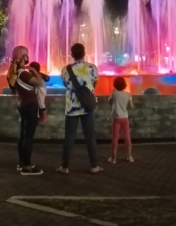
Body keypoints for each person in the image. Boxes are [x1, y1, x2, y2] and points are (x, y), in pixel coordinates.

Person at [57, 43, 102, 174]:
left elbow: (66, 85)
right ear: (84, 53)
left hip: (72, 108)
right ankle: (94, 166)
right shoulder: (92, 68)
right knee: (90, 137)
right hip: (87, 106)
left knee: (69, 137)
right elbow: (94, 84)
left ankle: (64, 167)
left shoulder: (66, 70)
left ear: (71, 54)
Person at [13, 50, 45, 176]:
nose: (27, 57)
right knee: (28, 137)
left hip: (23, 104)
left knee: (23, 134)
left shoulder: (16, 73)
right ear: (21, 59)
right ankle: (27, 166)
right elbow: (40, 82)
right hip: (30, 106)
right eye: (25, 56)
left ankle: (22, 162)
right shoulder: (23, 74)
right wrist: (34, 70)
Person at [108, 76, 134, 164]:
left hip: (116, 118)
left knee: (115, 138)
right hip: (125, 118)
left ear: (114, 85)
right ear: (125, 85)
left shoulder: (114, 94)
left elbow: (110, 102)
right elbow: (131, 106)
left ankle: (114, 158)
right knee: (127, 137)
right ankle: (129, 157)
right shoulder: (128, 95)